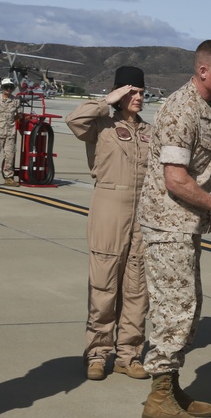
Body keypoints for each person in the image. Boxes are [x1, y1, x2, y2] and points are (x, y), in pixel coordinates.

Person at [138, 40, 211, 418]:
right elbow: (176, 180)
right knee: (175, 311)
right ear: (204, 71)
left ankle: (170, 390)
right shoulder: (180, 109)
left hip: (186, 226)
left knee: (187, 309)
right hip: (167, 224)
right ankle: (158, 401)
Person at [65, 66, 152, 382]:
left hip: (142, 214)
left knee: (137, 288)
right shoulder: (100, 125)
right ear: (120, 93)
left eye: (142, 93)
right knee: (103, 286)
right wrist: (107, 100)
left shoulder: (149, 131)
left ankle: (128, 355)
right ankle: (98, 354)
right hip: (109, 207)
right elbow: (74, 120)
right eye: (133, 92)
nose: (139, 98)